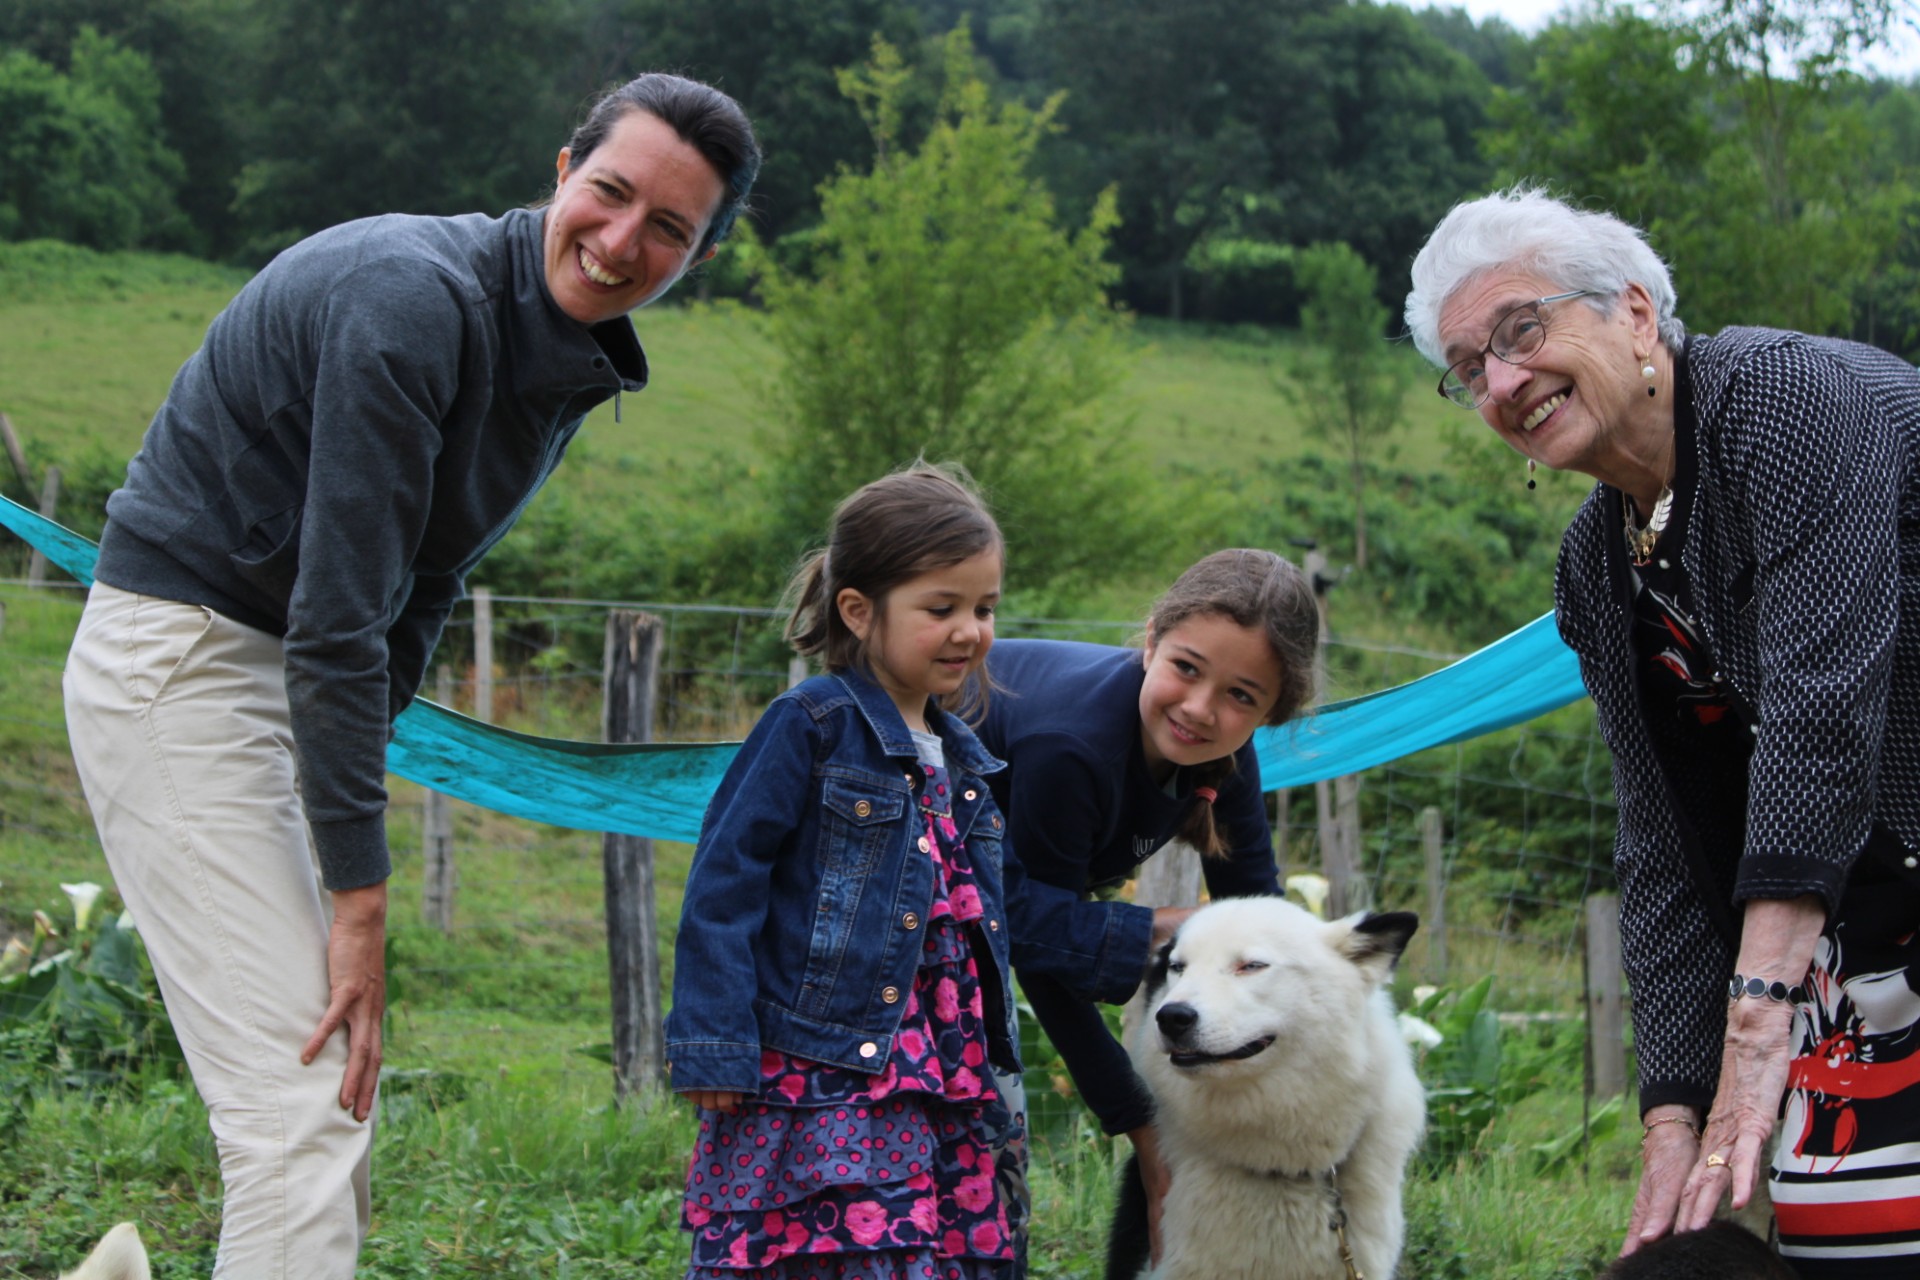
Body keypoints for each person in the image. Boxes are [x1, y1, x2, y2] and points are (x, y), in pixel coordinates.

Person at [60, 73, 760, 1277]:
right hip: (181, 662)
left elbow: (423, 583)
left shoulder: (556, 352)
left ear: (699, 255)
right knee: (299, 1112)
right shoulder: (412, 300)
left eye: (668, 230)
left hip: (272, 679)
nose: (621, 241)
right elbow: (343, 617)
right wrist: (360, 895)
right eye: (610, 192)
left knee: (321, 1104)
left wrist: (331, 777)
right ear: (561, 168)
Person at [1406, 185, 1920, 1277]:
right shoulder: (1598, 567)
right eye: (1470, 368)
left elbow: (1822, 715)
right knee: (1846, 1243)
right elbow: (1662, 844)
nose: (1501, 381)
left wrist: (1756, 1022)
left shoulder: (1783, 398)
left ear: (1635, 313)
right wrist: (1675, 1111)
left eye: (1521, 330)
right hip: (1860, 938)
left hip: (1849, 920)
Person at [666, 464, 1139, 1280]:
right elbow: (724, 881)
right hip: (820, 1071)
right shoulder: (810, 727)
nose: (971, 631)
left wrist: (1138, 942)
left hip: (943, 1072)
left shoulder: (969, 763)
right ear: (859, 610)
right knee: (829, 1249)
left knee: (929, 1249)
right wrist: (714, 1042)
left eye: (985, 608)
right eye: (942, 608)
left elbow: (1001, 919)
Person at [977, 547, 1322, 1261]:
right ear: (1150, 638)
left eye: (1240, 696)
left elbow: (1257, 910)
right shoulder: (1071, 747)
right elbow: (1036, 946)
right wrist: (1143, 1127)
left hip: (990, 907)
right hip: (893, 893)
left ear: (1269, 710)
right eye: (1186, 667)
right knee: (968, 1178)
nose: (1201, 708)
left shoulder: (1227, 754)